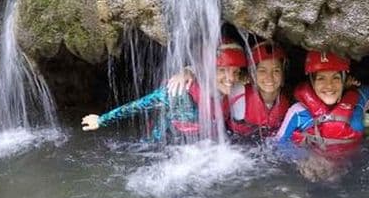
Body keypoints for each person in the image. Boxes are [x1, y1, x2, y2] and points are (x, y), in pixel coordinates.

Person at [80, 39, 247, 141]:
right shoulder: (181, 90)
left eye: (235, 71)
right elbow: (139, 105)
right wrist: (102, 120)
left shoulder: (230, 89)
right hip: (166, 145)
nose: (231, 78)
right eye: (222, 70)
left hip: (202, 147)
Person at [273, 48, 369, 168]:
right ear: (312, 82)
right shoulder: (297, 112)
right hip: (315, 175)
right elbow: (277, 146)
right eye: (321, 78)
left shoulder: (360, 98)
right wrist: (306, 158)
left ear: (344, 79)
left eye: (336, 78)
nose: (329, 85)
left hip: (356, 170)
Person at [227, 41, 290, 139]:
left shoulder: (289, 102)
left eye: (276, 70)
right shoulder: (237, 95)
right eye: (262, 71)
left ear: (283, 74)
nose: (269, 77)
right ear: (253, 74)